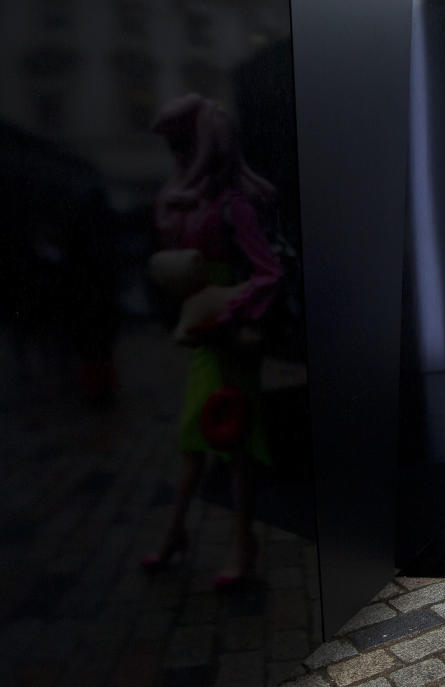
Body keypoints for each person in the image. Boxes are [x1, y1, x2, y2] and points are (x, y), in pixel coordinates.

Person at [141, 94, 283, 589]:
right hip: (208, 336)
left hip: (229, 335)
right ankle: (184, 532)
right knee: (196, 438)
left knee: (232, 440)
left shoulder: (233, 206)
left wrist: (229, 310)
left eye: (183, 146)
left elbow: (268, 272)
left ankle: (236, 541)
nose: (177, 157)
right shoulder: (200, 202)